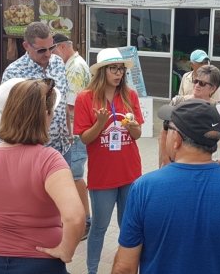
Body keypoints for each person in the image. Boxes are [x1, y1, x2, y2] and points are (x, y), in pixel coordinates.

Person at [113, 100, 220, 274]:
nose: (165, 133)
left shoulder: (144, 189)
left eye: (168, 127)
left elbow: (124, 267)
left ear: (176, 139)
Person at [0, 79, 85, 273]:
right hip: (40, 261)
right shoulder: (50, 160)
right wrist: (66, 250)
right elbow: (75, 217)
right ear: (46, 115)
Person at [73, 48, 144, 274]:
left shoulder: (130, 95)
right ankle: (92, 270)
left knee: (129, 227)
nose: (118, 74)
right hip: (103, 176)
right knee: (100, 227)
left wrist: (133, 128)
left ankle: (128, 268)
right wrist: (100, 123)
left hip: (129, 172)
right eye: (113, 69)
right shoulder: (85, 97)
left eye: (121, 69)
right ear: (102, 71)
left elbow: (137, 135)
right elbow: (85, 138)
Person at [2, 22, 70, 157]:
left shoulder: (58, 62)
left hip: (63, 146)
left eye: (51, 48)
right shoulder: (14, 73)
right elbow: (10, 116)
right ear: (26, 46)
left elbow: (64, 101)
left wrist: (69, 133)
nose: (48, 54)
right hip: (33, 151)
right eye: (41, 50)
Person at [52, 33, 92, 240]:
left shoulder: (75, 67)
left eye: (52, 50)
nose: (51, 55)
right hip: (72, 132)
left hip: (75, 133)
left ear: (62, 48)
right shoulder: (73, 63)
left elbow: (70, 104)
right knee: (72, 176)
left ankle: (85, 221)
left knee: (75, 177)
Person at [158, 64, 220, 167]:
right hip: (177, 162)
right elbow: (163, 134)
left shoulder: (219, 111)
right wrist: (164, 160)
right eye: (195, 81)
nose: (197, 85)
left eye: (202, 83)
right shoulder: (177, 102)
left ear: (213, 88)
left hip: (206, 164)